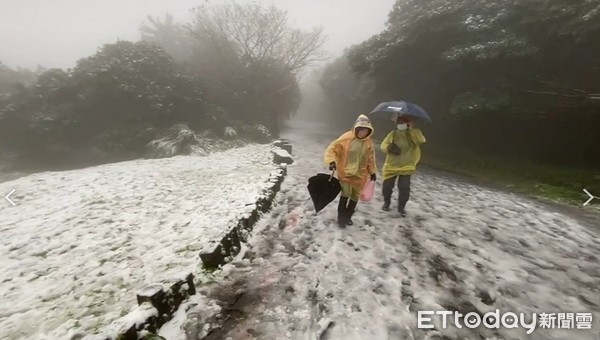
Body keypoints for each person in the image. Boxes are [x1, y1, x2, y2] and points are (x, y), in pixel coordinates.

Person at [324, 114, 377, 228]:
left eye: (365, 130)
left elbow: (371, 159)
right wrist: (332, 161)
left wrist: (372, 172)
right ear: (356, 128)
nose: (363, 133)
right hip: (345, 174)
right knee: (345, 194)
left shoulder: (369, 143)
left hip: (360, 176)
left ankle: (347, 217)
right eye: (361, 130)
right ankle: (341, 218)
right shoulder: (346, 138)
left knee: (354, 197)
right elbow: (332, 149)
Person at [380, 116, 426, 216]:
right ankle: (386, 202)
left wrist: (412, 130)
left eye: (403, 122)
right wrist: (389, 148)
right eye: (399, 122)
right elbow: (383, 146)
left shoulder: (414, 133)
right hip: (391, 165)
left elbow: (421, 141)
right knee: (387, 186)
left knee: (404, 187)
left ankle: (401, 207)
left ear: (408, 123)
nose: (400, 124)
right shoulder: (393, 134)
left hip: (407, 165)